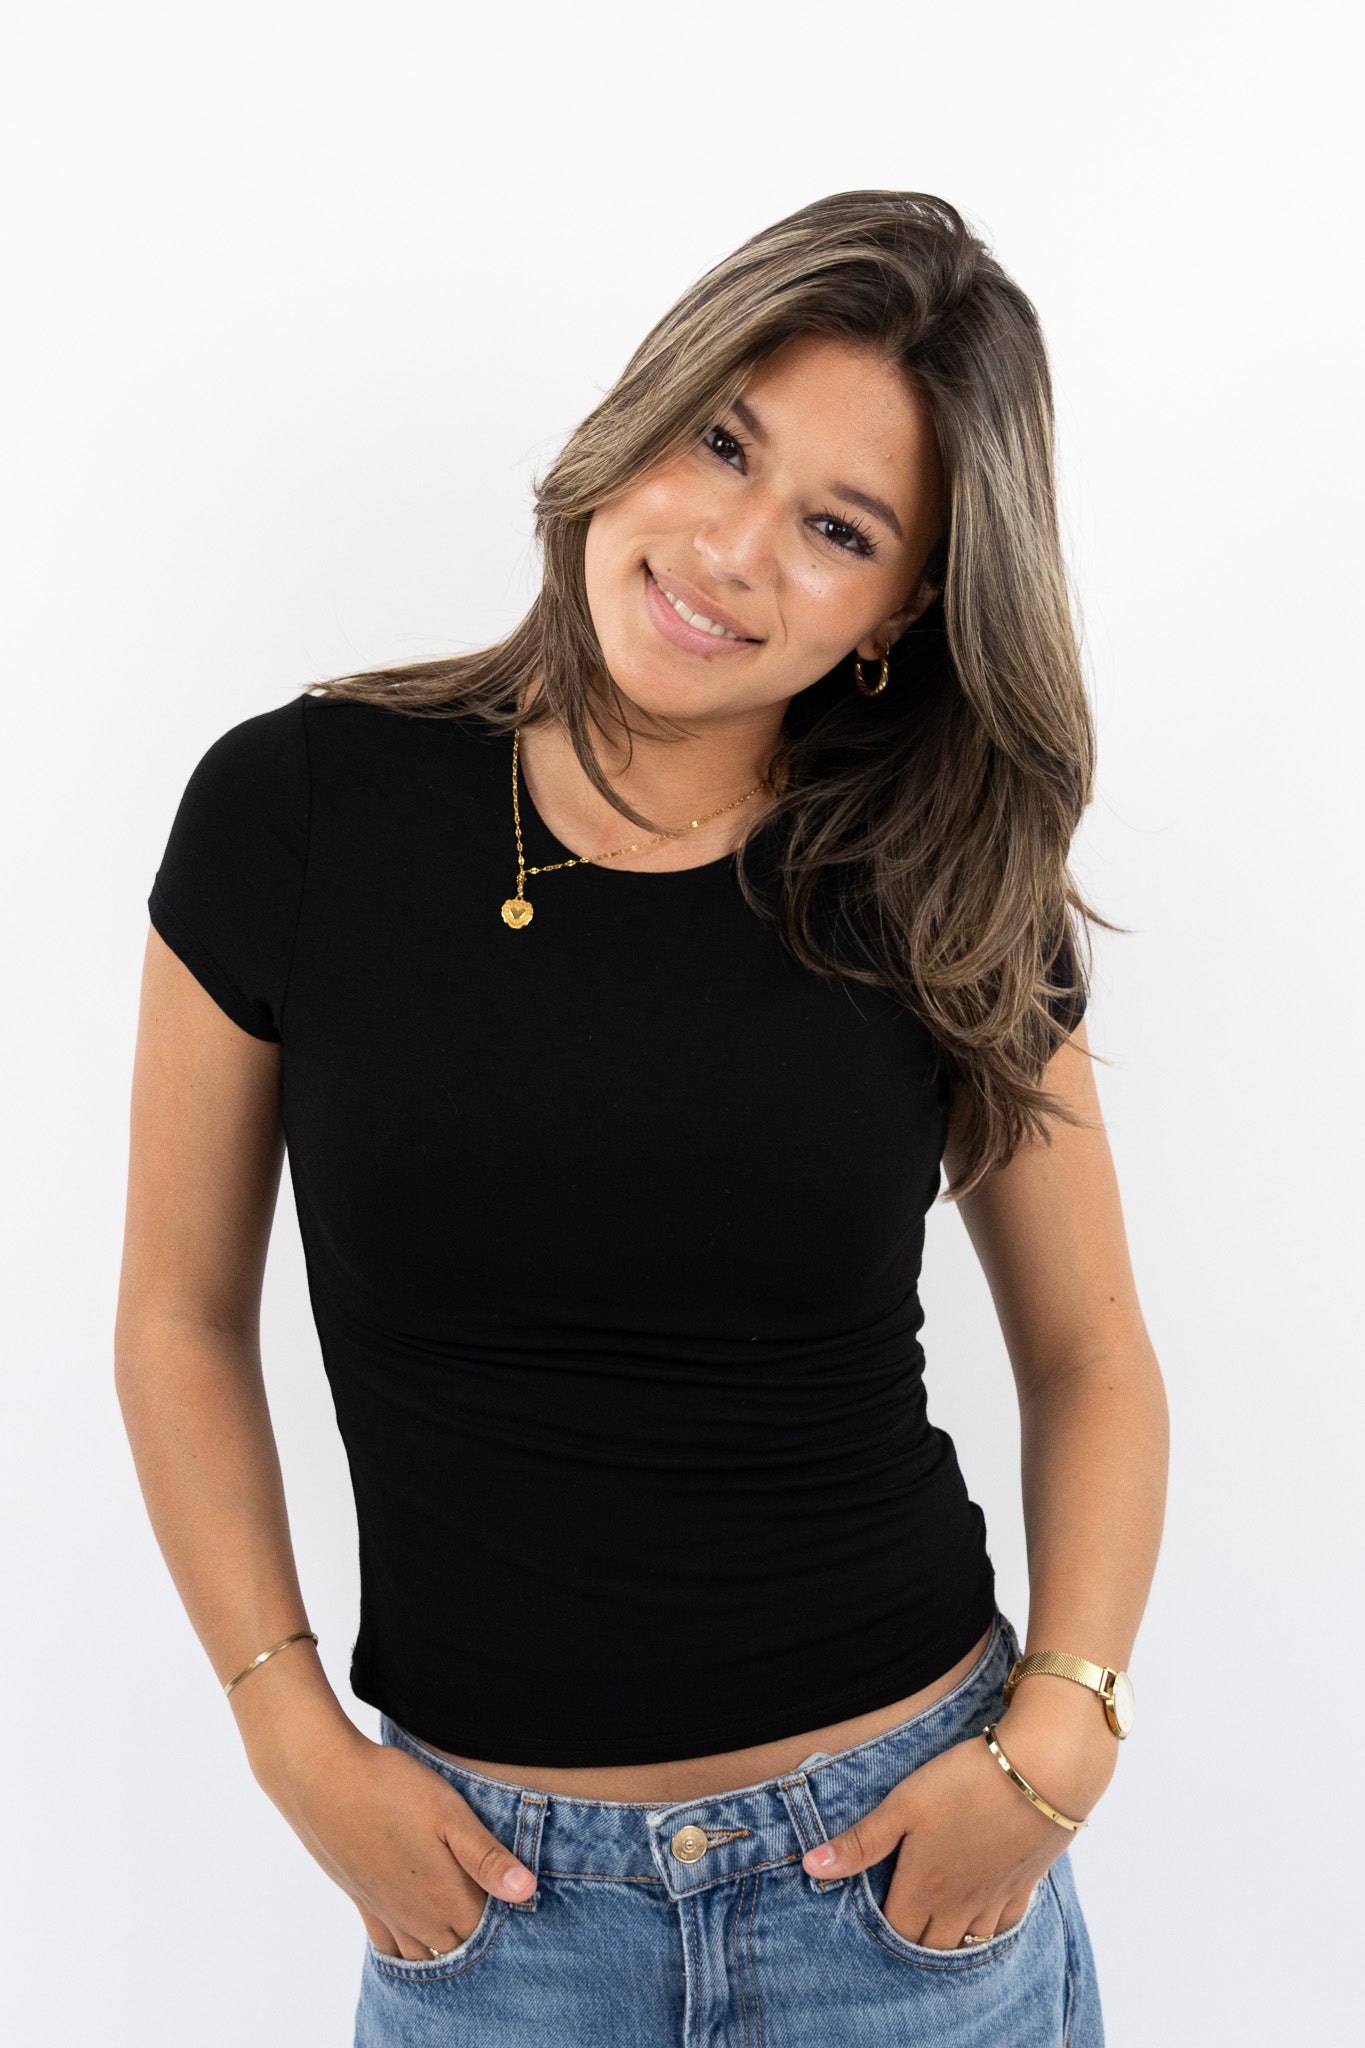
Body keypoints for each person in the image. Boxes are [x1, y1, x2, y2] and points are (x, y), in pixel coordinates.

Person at [118, 189, 1167, 2047]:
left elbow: (1088, 1354)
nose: (729, 551)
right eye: (721, 443)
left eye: (838, 529)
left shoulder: (936, 882)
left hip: (900, 1889)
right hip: (487, 1910)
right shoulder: (300, 809)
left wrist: (1061, 1735)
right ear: (642, 412)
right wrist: (290, 1737)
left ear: (900, 611)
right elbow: (178, 1315)